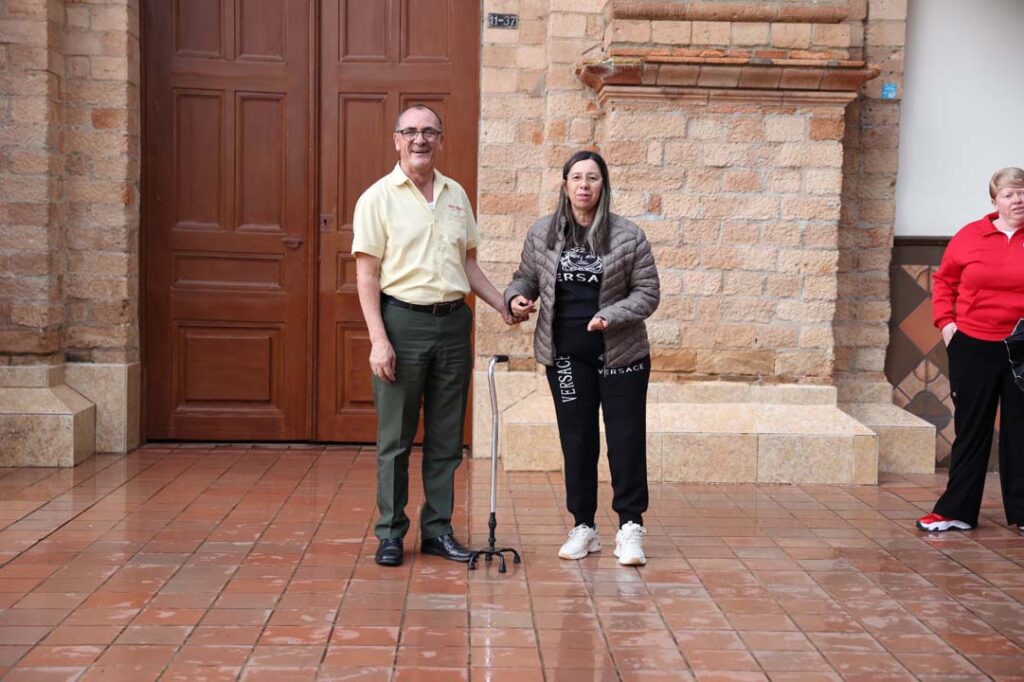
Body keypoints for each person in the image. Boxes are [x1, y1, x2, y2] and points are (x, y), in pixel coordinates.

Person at [353, 104, 517, 566]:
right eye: (411, 132)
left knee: (446, 438)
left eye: (429, 132)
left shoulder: (455, 195)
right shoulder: (378, 197)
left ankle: (437, 530)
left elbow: (467, 264)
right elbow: (367, 275)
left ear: (441, 140)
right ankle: (390, 533)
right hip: (402, 323)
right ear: (396, 139)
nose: (420, 140)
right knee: (395, 438)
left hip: (452, 324)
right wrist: (378, 340)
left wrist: (501, 303)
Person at [504, 150, 660, 565]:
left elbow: (648, 293)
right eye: (577, 178)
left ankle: (630, 526)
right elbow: (526, 277)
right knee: (577, 440)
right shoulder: (544, 233)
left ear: (603, 186)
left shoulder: (628, 236)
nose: (584, 185)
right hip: (568, 358)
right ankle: (584, 526)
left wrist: (610, 315)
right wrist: (517, 297)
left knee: (625, 439)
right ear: (565, 185)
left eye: (592, 178)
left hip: (621, 355)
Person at [917, 167, 1024, 534]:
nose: (1018, 200)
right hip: (973, 344)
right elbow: (944, 280)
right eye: (1009, 194)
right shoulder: (970, 236)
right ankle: (956, 511)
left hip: (1021, 346)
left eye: (1023, 192)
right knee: (971, 428)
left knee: (1021, 429)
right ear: (994, 201)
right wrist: (947, 325)